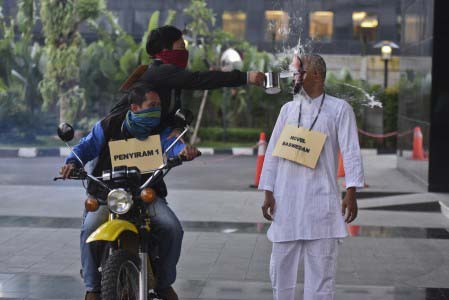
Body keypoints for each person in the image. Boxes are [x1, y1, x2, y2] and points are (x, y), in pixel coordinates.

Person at [60, 87, 200, 300]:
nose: (157, 110)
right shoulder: (108, 125)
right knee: (89, 228)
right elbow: (85, 147)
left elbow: (172, 145)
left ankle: (163, 283)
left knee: (172, 229)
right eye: (151, 106)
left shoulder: (160, 128)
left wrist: (182, 151)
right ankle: (92, 287)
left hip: (145, 192)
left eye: (159, 106)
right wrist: (71, 163)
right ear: (135, 107)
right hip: (108, 193)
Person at [259, 54, 365, 300]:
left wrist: (351, 192)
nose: (295, 76)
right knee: (280, 270)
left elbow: (350, 152)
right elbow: (274, 152)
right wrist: (268, 191)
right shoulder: (288, 109)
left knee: (321, 276)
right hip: (287, 203)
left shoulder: (339, 109)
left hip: (321, 204)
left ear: (316, 75)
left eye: (300, 72)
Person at [112, 25, 266, 131]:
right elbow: (199, 79)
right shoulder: (161, 71)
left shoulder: (166, 74)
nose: (185, 52)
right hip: (120, 136)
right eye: (181, 47)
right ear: (166, 50)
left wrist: (175, 129)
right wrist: (246, 77)